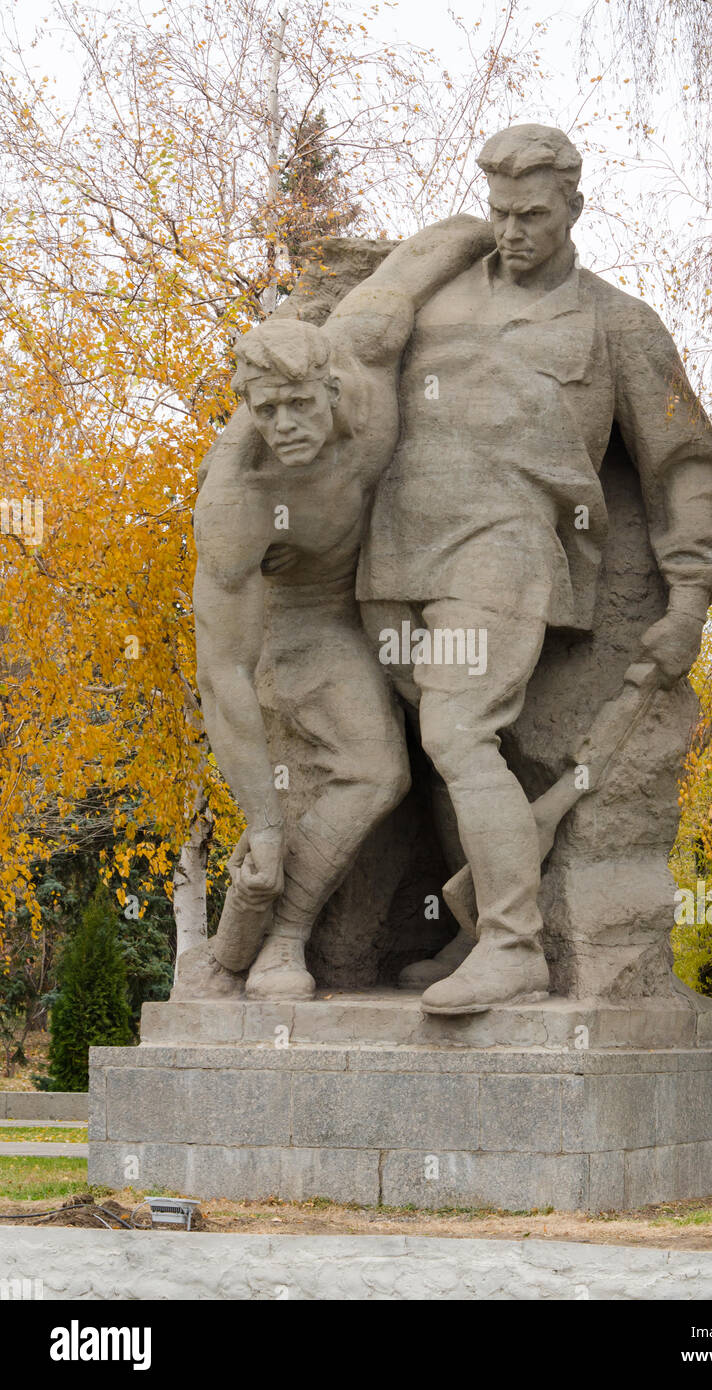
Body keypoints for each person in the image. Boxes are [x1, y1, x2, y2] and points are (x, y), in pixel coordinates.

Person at [357, 124, 712, 1014]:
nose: (513, 229)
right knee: (446, 746)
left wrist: (688, 599)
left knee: (456, 733)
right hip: (391, 556)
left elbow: (686, 465)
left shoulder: (620, 324)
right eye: (499, 211)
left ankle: (516, 946)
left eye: (532, 213)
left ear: (574, 208)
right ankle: (477, 918)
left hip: (509, 545)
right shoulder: (436, 292)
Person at [176, 215, 495, 1000]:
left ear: (330, 385)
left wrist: (507, 235)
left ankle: (495, 932)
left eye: (295, 405)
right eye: (263, 408)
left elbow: (430, 251)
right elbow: (223, 672)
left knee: (478, 730)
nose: (281, 425)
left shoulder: (369, 347)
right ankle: (283, 940)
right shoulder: (238, 497)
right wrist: (265, 822)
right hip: (312, 618)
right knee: (372, 768)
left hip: (406, 582)